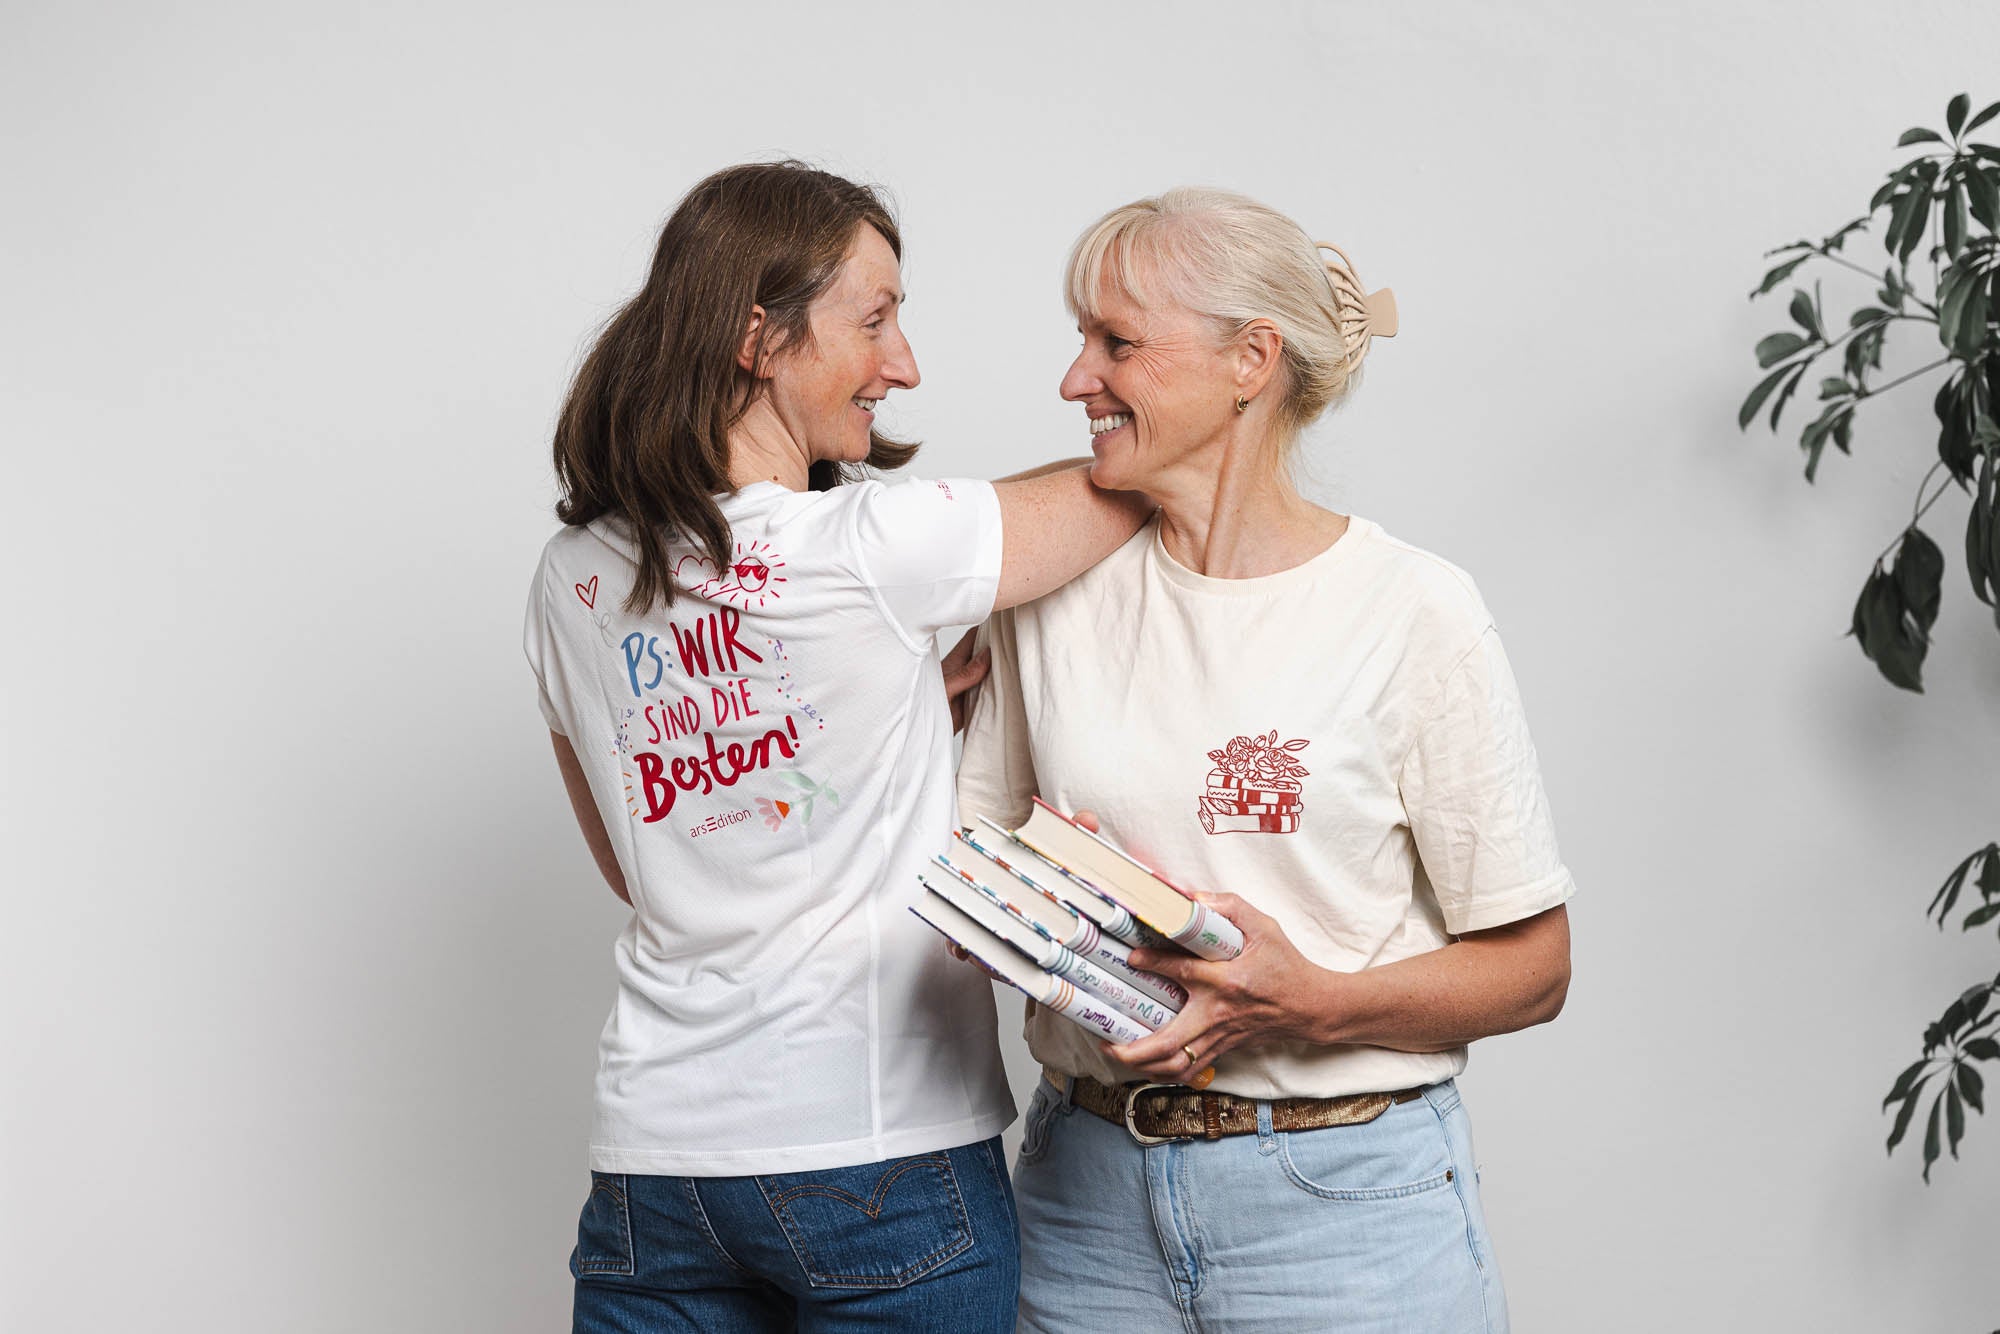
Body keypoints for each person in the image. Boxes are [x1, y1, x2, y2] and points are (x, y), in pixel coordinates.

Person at [523, 160, 1150, 1332]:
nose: (901, 362)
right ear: (758, 334)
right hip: (880, 1161)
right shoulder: (871, 544)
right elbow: (1127, 476)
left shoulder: (568, 579)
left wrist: (890, 718)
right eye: (874, 319)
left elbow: (640, 858)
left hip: (654, 1170)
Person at [956, 188, 1574, 1332]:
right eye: (1079, 337)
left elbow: (1533, 966)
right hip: (1082, 1195)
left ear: (1250, 359)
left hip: (1344, 1208)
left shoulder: (1411, 611)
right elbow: (966, 865)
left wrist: (1310, 1005)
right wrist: (1043, 901)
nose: (1073, 378)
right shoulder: (1046, 592)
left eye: (1116, 342)